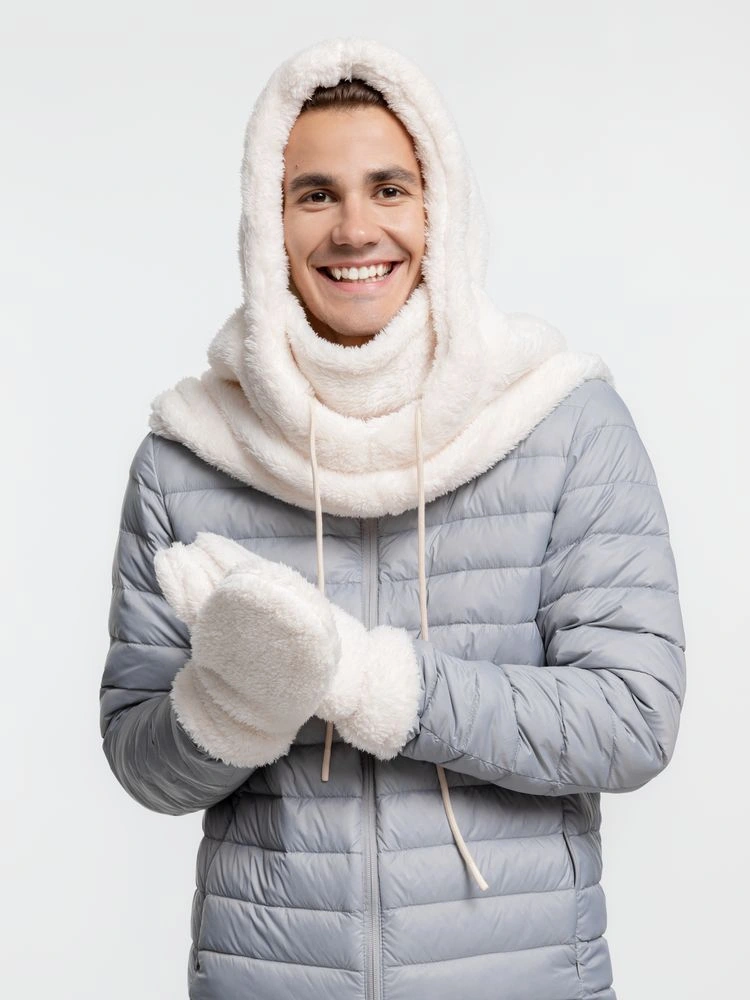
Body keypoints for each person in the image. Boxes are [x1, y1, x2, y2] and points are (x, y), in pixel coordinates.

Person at [99, 37, 687, 1000]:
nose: (354, 228)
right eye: (315, 194)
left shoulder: (561, 422)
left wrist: (363, 678)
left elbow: (631, 719)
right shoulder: (190, 453)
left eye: (389, 188)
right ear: (267, 222)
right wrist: (232, 703)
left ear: (440, 207)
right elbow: (142, 765)